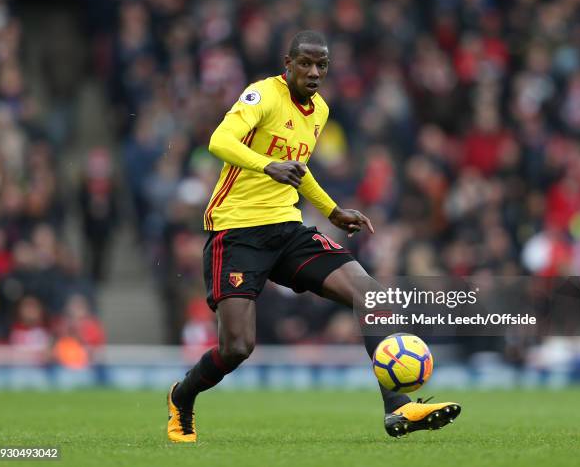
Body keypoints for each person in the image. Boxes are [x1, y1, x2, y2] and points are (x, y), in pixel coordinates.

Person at [167, 31, 461, 442]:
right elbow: (220, 141)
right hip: (236, 231)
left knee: (371, 295)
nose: (313, 72)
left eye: (321, 65)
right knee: (237, 347)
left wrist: (331, 210)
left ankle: (397, 408)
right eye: (304, 63)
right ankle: (182, 396)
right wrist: (267, 166)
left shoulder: (319, 110)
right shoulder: (261, 95)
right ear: (287, 64)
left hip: (287, 229)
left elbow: (299, 170)